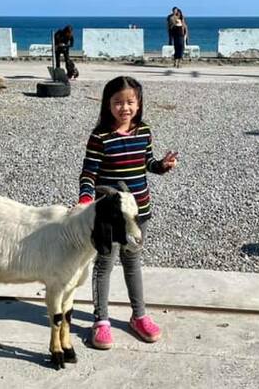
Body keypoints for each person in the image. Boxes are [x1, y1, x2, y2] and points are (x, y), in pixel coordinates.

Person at [78, 76, 179, 350]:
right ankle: (101, 321)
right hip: (109, 214)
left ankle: (139, 315)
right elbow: (89, 173)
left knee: (132, 262)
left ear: (139, 103)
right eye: (118, 102)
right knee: (105, 264)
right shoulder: (100, 137)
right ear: (107, 104)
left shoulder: (144, 130)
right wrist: (86, 199)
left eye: (130, 102)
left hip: (139, 213)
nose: (125, 108)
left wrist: (162, 166)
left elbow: (146, 162)